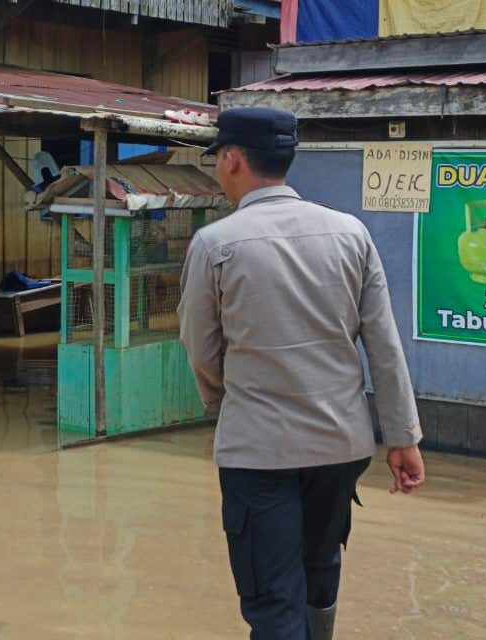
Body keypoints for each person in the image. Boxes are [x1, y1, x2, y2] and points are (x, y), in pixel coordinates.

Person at [177, 107, 426, 640]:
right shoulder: (350, 234)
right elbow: (383, 344)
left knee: (272, 598)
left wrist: (228, 406)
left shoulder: (216, 244)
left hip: (258, 453)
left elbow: (200, 350)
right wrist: (402, 438)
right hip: (341, 448)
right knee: (318, 577)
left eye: (219, 160)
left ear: (233, 159)